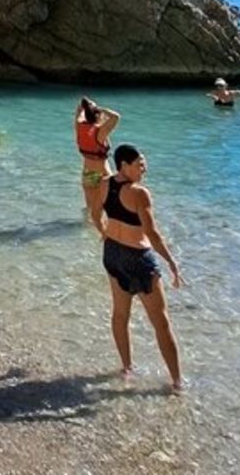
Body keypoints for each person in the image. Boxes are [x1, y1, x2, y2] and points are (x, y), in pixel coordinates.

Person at [90, 144, 185, 392]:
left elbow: (94, 212)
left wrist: (104, 233)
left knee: (120, 314)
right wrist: (172, 263)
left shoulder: (104, 183)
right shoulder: (139, 193)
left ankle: (127, 368)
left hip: (112, 253)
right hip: (138, 259)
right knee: (161, 322)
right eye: (140, 164)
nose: (145, 168)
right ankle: (177, 382)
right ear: (124, 165)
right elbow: (152, 234)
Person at [75, 97, 120, 219]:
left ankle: (87, 231)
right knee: (111, 207)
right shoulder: (100, 132)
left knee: (90, 209)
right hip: (103, 175)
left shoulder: (79, 126)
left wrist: (88, 108)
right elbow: (116, 117)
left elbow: (79, 111)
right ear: (97, 114)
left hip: (87, 173)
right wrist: (99, 108)